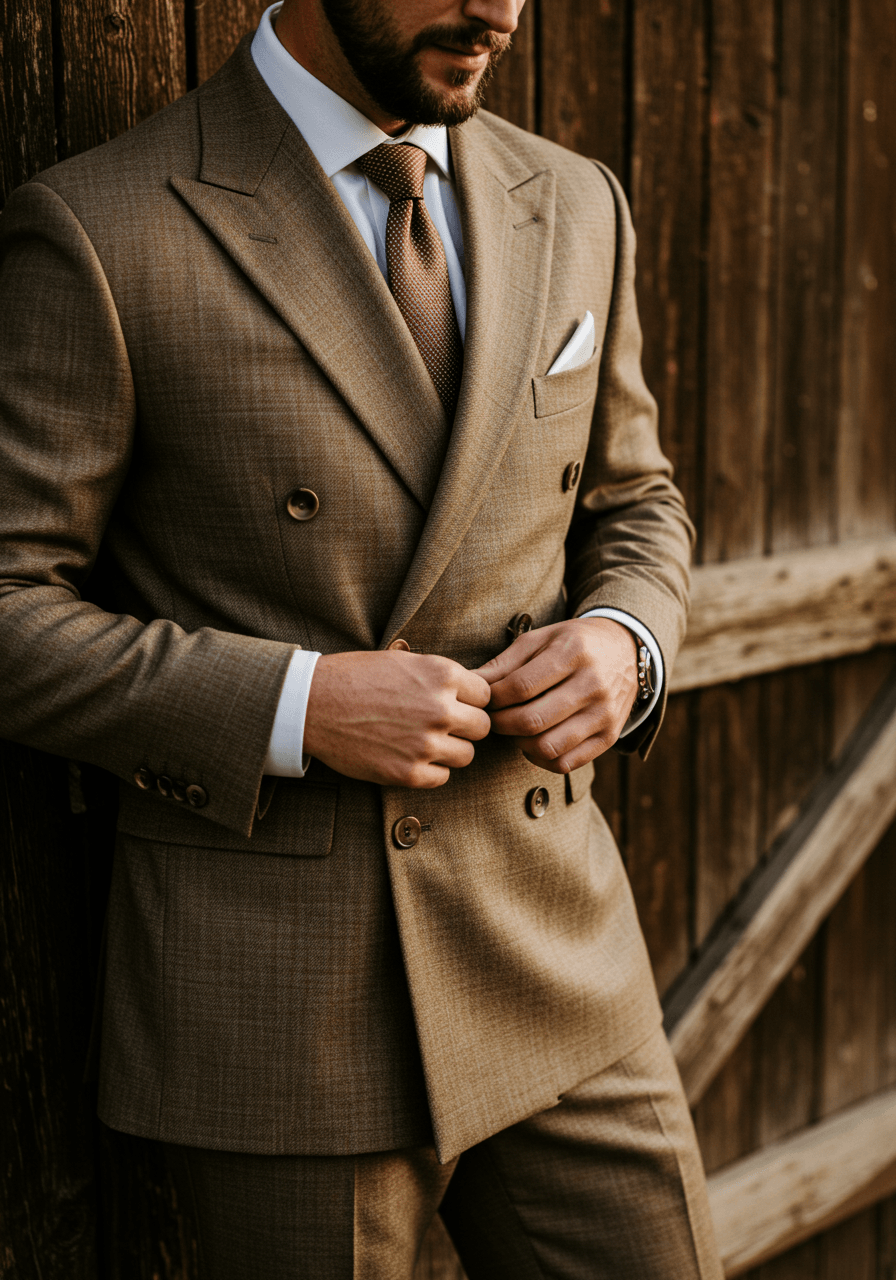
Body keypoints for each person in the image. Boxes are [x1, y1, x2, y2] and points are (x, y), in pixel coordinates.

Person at [0, 0, 723, 1274]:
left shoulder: (574, 198)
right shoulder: (102, 225)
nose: (497, 9)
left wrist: (626, 638)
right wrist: (293, 705)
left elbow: (634, 498)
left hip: (557, 945)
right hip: (287, 995)